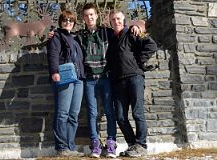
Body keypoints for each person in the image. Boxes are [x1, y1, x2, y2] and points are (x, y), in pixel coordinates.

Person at [48, 3, 145, 158]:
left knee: (109, 111)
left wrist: (137, 26)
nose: (89, 18)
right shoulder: (78, 36)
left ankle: (111, 144)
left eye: (92, 15)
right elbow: (63, 37)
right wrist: (54, 33)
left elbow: (122, 28)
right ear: (83, 18)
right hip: (88, 80)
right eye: (86, 16)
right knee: (92, 112)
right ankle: (94, 144)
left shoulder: (107, 32)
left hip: (106, 78)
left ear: (97, 16)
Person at [106, 10, 157, 157]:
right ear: (110, 23)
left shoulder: (132, 33)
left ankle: (141, 144)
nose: (116, 21)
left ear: (124, 20)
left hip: (134, 77)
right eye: (113, 19)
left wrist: (140, 60)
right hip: (118, 82)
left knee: (137, 112)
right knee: (121, 117)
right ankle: (132, 145)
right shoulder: (112, 40)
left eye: (119, 19)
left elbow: (151, 45)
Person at [47, 10, 85, 157]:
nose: (68, 22)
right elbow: (53, 54)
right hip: (64, 76)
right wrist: (54, 72)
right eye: (65, 20)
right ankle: (61, 148)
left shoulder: (76, 38)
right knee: (62, 113)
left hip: (78, 78)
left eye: (70, 20)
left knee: (73, 115)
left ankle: (70, 147)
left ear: (74, 23)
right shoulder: (56, 35)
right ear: (60, 22)